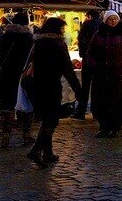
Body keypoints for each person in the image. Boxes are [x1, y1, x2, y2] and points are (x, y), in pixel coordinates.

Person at [26, 17, 81, 168]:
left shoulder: (38, 43)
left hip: (37, 85)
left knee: (46, 118)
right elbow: (67, 69)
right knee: (51, 120)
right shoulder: (58, 44)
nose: (63, 31)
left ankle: (48, 153)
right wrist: (78, 90)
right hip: (51, 85)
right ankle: (36, 150)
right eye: (62, 28)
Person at [86, 10, 122, 138]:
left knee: (116, 102)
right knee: (101, 102)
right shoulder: (98, 34)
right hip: (101, 74)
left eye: (115, 19)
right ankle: (104, 127)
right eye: (110, 19)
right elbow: (91, 53)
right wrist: (94, 65)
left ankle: (115, 126)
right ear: (105, 20)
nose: (113, 21)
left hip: (119, 75)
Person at [0, 10, 34, 148]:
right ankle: (26, 134)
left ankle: (6, 135)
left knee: (8, 104)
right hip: (23, 75)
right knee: (26, 104)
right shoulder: (29, 38)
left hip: (7, 74)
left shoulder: (6, 36)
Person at [72, 9, 101, 119]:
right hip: (99, 61)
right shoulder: (102, 25)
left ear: (89, 16)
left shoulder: (87, 24)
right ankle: (95, 111)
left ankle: (81, 111)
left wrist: (82, 53)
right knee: (96, 87)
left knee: (85, 86)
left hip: (88, 59)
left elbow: (80, 38)